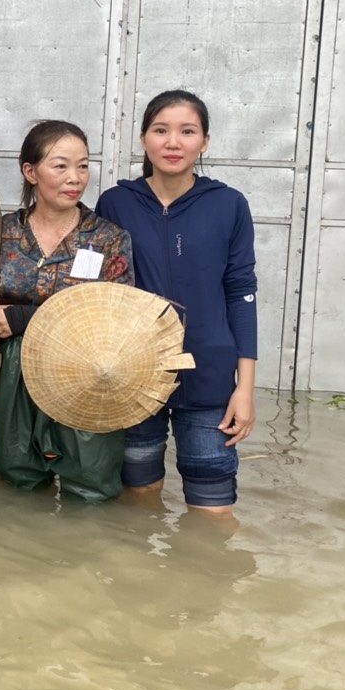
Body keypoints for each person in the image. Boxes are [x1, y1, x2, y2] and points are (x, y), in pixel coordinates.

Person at [96, 90, 257, 514]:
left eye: (187, 131)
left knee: (213, 508)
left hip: (209, 380)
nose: (173, 142)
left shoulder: (228, 204)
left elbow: (241, 293)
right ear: (144, 139)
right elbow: (97, 292)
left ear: (204, 142)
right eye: (161, 130)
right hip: (133, 376)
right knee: (138, 497)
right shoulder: (115, 203)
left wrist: (245, 389)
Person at [0, 120, 135, 501]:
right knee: (14, 484)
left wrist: (23, 317)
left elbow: (113, 317)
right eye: (61, 166)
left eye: (83, 166)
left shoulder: (107, 238)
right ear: (30, 172)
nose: (75, 178)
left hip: (87, 373)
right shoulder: (0, 233)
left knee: (91, 487)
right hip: (15, 370)